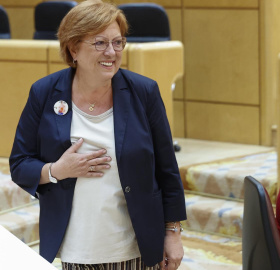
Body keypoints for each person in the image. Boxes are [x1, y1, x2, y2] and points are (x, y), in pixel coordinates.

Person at [9, 0, 186, 269]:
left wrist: (172, 232)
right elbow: (20, 164)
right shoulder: (44, 92)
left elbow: (167, 170)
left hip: (134, 246)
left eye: (118, 42)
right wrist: (57, 170)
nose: (112, 52)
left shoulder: (144, 92)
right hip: (76, 248)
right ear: (73, 48)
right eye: (100, 43)